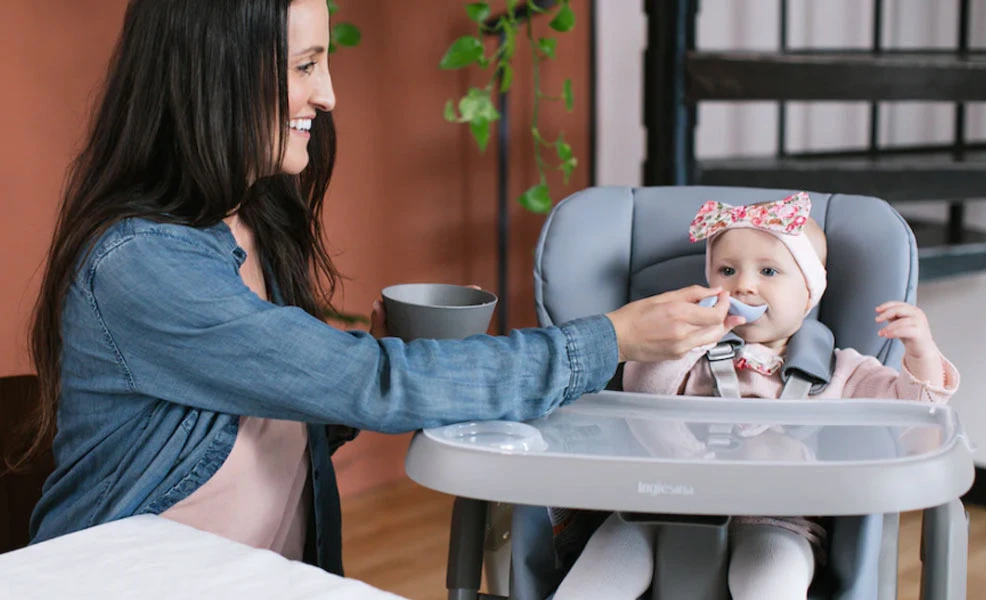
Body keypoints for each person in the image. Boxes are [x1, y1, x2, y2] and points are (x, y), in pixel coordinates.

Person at [9, 0, 745, 576]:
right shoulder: (142, 266)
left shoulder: (255, 217)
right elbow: (373, 384)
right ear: (216, 73)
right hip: (132, 576)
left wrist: (354, 376)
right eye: (304, 65)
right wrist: (610, 339)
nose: (327, 94)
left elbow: (273, 415)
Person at [552, 192, 959, 600]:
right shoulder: (686, 350)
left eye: (768, 271)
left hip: (776, 520)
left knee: (770, 582)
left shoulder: (838, 370)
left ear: (809, 292)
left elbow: (910, 413)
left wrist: (920, 352)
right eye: (726, 270)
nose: (744, 285)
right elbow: (643, 389)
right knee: (602, 568)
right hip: (654, 505)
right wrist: (691, 337)